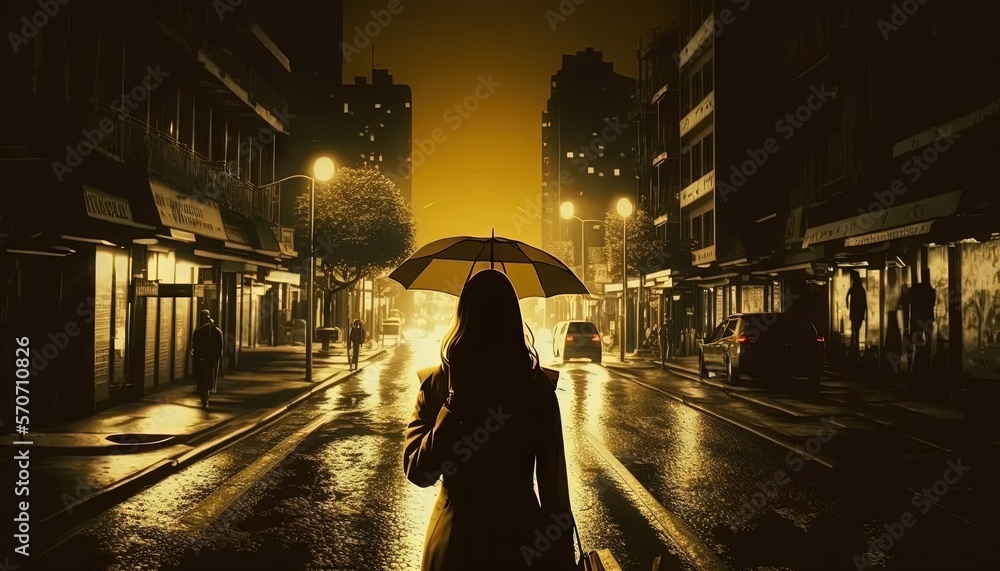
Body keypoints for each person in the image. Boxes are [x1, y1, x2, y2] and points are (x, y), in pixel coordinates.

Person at [403, 269, 575, 571]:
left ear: (462, 316)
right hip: (520, 542)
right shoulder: (536, 389)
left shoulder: (438, 384)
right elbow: (555, 497)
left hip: (455, 541)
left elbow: (420, 472)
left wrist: (451, 408)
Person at [907, 267, 936, 378]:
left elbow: (909, 297)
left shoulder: (917, 288)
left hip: (918, 320)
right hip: (926, 320)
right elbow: (932, 305)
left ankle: (919, 365)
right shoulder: (930, 290)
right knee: (926, 343)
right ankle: (925, 364)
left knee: (918, 343)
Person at [191, 309, 223, 408]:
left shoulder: (197, 332)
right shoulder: (216, 331)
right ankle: (206, 396)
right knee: (209, 378)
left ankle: (204, 397)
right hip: (209, 359)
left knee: (202, 379)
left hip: (201, 359)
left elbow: (194, 346)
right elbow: (219, 347)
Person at [846, 271, 867, 362]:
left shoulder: (852, 289)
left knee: (854, 331)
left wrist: (847, 305)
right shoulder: (861, 290)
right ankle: (856, 349)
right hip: (859, 313)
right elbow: (865, 303)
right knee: (856, 331)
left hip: (854, 313)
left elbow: (847, 296)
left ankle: (853, 349)